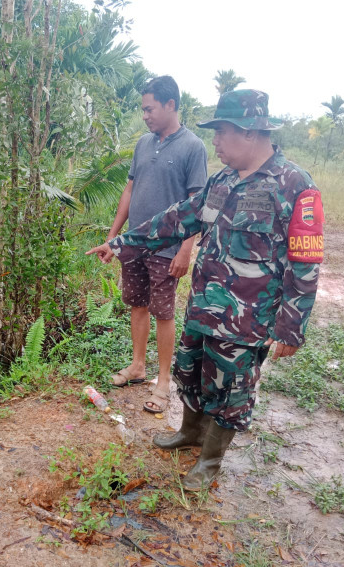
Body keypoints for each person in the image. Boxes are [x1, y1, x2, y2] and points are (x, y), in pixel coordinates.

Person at [88, 89, 324, 490]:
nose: (214, 141)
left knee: (231, 389)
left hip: (247, 320)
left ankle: (210, 461)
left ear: (249, 132)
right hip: (203, 306)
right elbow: (177, 220)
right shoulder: (222, 181)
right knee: (192, 370)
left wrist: (291, 327)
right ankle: (190, 433)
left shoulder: (295, 186)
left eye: (221, 132)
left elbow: (306, 263)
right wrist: (120, 243)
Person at [107, 75, 208, 414]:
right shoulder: (143, 144)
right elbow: (130, 190)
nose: (145, 115)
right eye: (143, 109)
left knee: (163, 312)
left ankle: (163, 381)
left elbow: (197, 205)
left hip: (167, 248)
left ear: (170, 105)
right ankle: (137, 366)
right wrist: (115, 236)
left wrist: (185, 249)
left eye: (150, 109)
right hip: (134, 244)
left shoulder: (193, 147)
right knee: (136, 304)